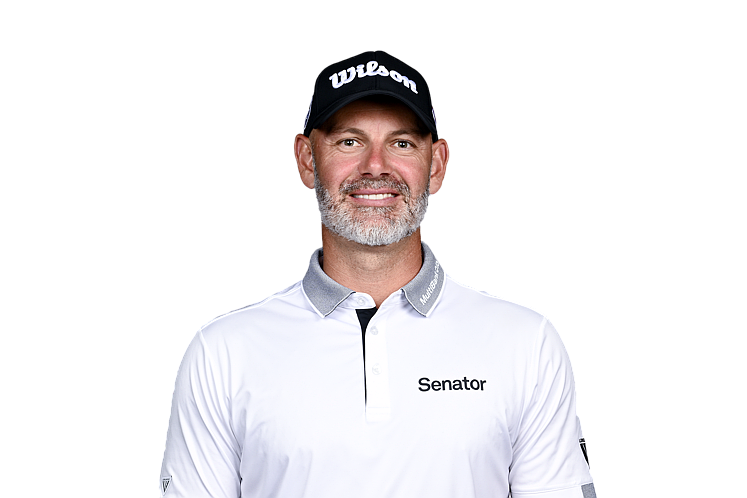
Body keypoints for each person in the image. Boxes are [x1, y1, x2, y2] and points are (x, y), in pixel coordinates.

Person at [158, 50, 596, 498]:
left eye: (401, 143)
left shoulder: (526, 342)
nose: (375, 166)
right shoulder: (222, 352)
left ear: (437, 165)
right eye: (349, 142)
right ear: (307, 159)